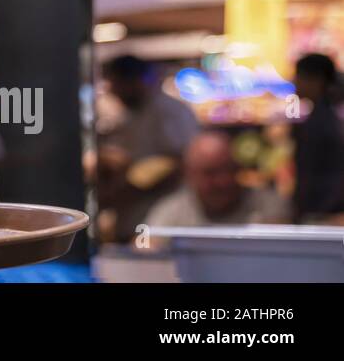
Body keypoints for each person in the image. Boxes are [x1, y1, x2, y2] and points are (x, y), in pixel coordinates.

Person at [98, 54, 200, 241]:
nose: (114, 91)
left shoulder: (169, 112)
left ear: (135, 81)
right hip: (132, 216)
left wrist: (129, 191)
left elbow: (178, 163)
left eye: (117, 84)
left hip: (163, 216)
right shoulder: (129, 114)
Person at [143, 131, 289, 230]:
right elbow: (144, 252)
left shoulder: (268, 206)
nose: (223, 181)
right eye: (211, 173)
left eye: (229, 169)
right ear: (189, 175)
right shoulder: (170, 212)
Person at [291, 53, 344, 223]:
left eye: (299, 76)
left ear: (317, 80)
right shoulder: (330, 112)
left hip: (324, 214)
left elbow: (317, 172)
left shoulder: (324, 119)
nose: (294, 82)